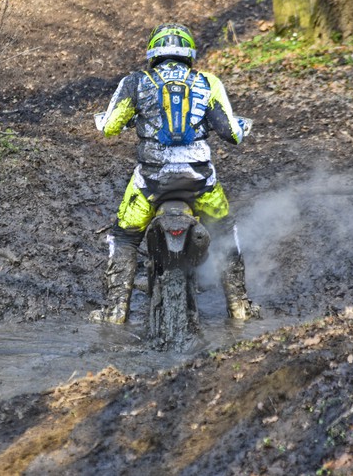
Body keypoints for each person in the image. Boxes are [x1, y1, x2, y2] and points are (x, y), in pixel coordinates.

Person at [90, 23, 257, 324]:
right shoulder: (208, 82)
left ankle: (115, 312)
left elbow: (110, 127)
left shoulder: (136, 82)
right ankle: (240, 307)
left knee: (124, 237)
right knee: (225, 232)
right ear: (190, 54)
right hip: (200, 182)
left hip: (151, 182)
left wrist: (110, 121)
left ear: (153, 53)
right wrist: (241, 127)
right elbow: (232, 133)